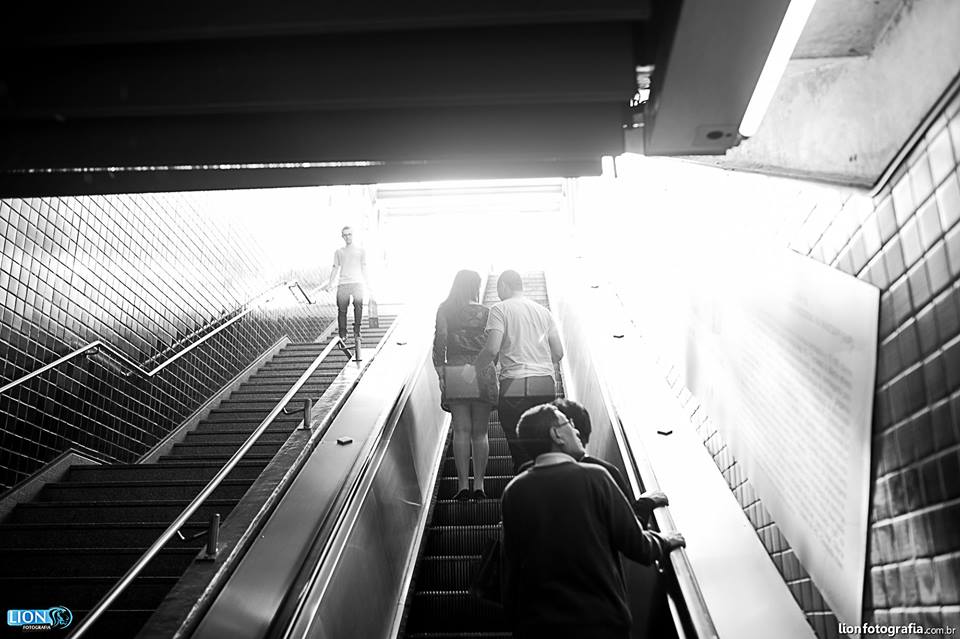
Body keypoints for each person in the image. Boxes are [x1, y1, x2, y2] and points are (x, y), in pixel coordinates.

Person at [501, 404, 686, 639]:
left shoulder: (514, 491)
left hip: (538, 626)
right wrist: (664, 541)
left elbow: (511, 568)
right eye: (568, 423)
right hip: (599, 622)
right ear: (556, 435)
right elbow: (637, 546)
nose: (577, 431)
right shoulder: (595, 477)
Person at [474, 270, 563, 472]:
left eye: (498, 289)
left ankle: (525, 483)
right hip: (544, 382)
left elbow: (491, 348)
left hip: (515, 382)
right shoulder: (544, 312)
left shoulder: (500, 309)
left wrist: (473, 371)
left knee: (518, 443)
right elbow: (558, 353)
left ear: (504, 286)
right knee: (543, 440)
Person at [550, 398, 669, 526]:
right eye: (569, 424)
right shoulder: (603, 473)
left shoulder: (533, 481)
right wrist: (645, 503)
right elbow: (628, 534)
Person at [433, 270, 498, 501]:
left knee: (461, 430)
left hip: (457, 370)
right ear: (475, 287)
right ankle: (479, 485)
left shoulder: (446, 309)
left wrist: (441, 371)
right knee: (480, 432)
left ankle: (462, 486)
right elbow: (493, 345)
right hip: (482, 371)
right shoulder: (487, 312)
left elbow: (440, 339)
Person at [321, 225, 368, 344]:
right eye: (345, 235)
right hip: (343, 284)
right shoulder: (339, 252)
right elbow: (335, 267)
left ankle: (357, 331)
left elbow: (364, 267)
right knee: (342, 310)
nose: (348, 237)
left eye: (350, 234)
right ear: (342, 237)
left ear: (353, 235)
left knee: (358, 305)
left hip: (357, 283)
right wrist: (330, 283)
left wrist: (368, 283)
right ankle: (343, 334)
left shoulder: (361, 251)